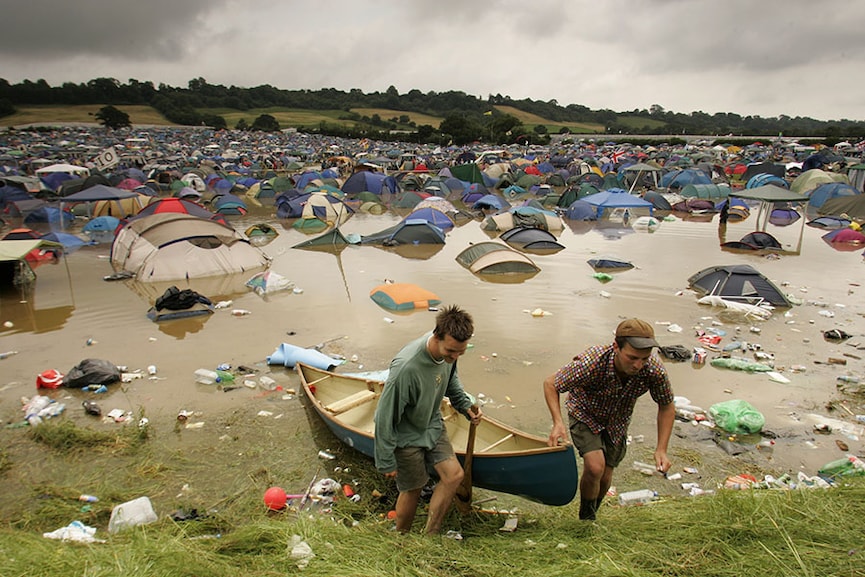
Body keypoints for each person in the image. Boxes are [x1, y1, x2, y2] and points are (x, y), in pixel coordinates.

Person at [543, 318, 675, 521]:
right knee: (595, 466)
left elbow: (666, 406)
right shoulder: (593, 362)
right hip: (585, 413)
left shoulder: (653, 370)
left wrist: (661, 449)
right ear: (616, 347)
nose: (638, 365)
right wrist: (558, 422)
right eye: (632, 357)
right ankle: (585, 520)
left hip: (618, 421)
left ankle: (592, 512)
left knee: (605, 475)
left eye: (644, 358)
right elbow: (551, 383)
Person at [374, 305, 482, 534]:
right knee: (413, 488)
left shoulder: (450, 352)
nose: (454, 357)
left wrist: (464, 405)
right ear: (436, 336)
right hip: (405, 433)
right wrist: (385, 459)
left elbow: (451, 378)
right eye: (451, 351)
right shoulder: (406, 368)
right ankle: (401, 538)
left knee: (454, 476)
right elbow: (384, 415)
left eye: (460, 352)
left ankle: (430, 533)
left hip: (431, 423)